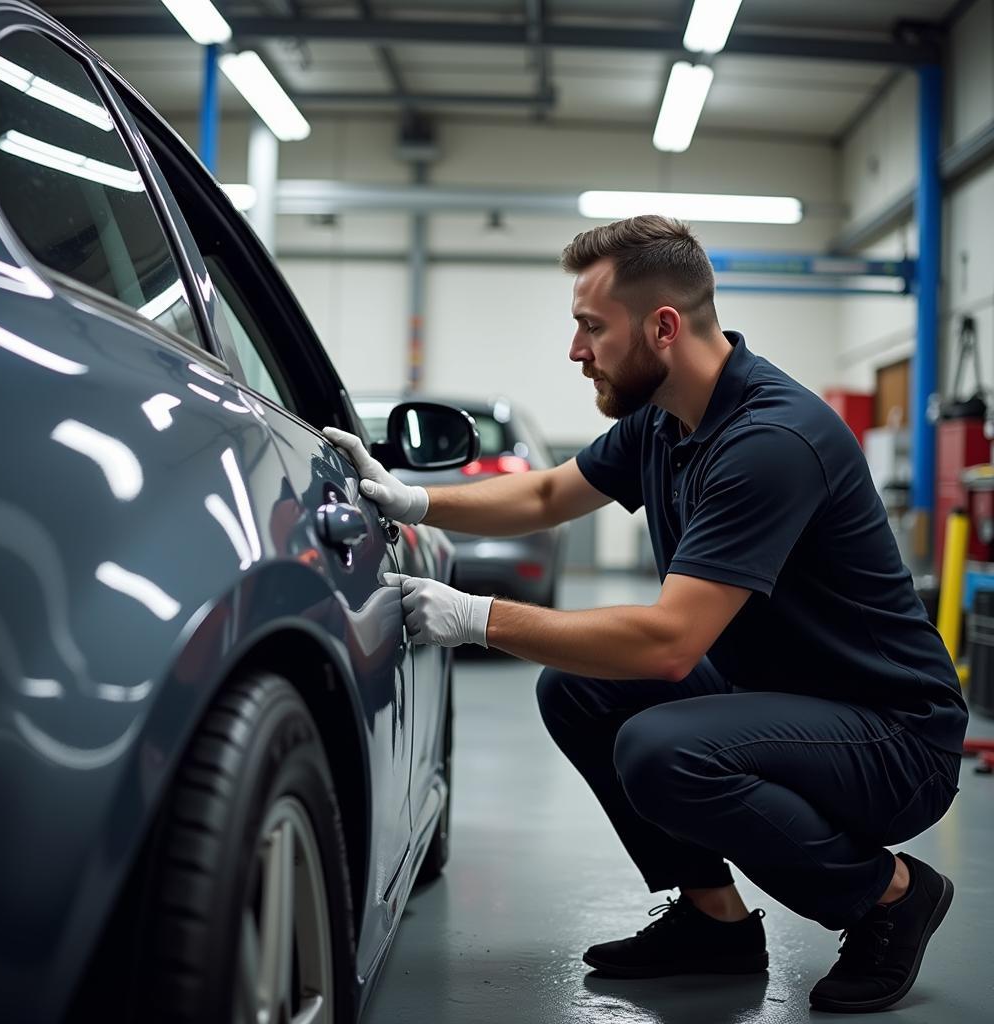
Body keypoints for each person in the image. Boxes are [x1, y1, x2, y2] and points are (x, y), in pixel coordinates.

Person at [323, 215, 967, 1015]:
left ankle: (891, 896)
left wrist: (476, 616)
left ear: (662, 327)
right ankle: (713, 922)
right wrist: (416, 499)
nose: (575, 350)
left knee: (663, 750)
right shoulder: (667, 416)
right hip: (785, 700)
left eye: (591, 327)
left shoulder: (770, 439)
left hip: (894, 735)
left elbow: (669, 643)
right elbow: (551, 493)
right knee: (578, 690)